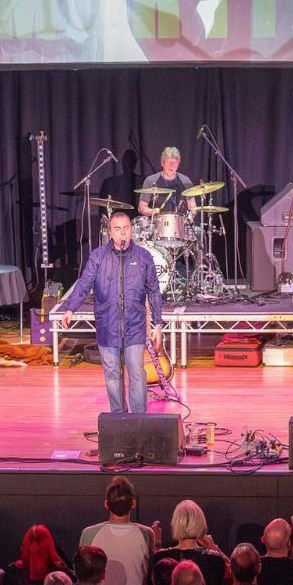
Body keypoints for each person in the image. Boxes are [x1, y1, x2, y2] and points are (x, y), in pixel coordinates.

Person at [58, 212, 164, 415]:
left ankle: (139, 418)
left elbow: (154, 291)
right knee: (112, 373)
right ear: (110, 232)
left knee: (136, 372)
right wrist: (71, 308)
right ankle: (118, 417)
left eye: (126, 228)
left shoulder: (143, 256)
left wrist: (157, 324)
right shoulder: (98, 256)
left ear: (132, 230)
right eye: (118, 229)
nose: (123, 233)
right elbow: (84, 284)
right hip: (107, 324)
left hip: (135, 325)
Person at [78, 477, 156, 585]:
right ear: (133, 504)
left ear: (106, 504)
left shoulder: (89, 533)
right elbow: (151, 572)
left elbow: (81, 576)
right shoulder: (146, 533)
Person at [136, 146, 197, 216]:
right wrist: (152, 211)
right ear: (162, 163)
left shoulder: (186, 181)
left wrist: (191, 215)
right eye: (168, 162)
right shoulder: (150, 180)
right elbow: (141, 207)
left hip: (180, 221)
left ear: (178, 164)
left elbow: (192, 206)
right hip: (157, 221)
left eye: (175, 162)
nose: (172, 165)